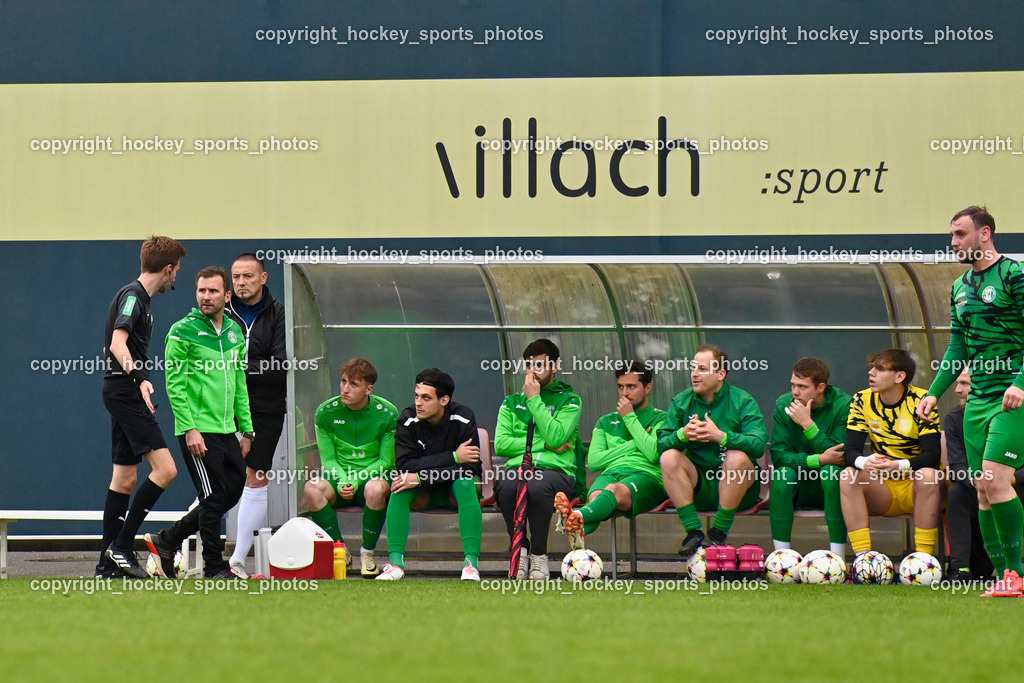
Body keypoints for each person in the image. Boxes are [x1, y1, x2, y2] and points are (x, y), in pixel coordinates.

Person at [918, 206, 1024, 596]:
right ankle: (1003, 577)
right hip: (978, 402)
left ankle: (1016, 573)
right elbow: (957, 347)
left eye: (960, 234)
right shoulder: (960, 287)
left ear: (985, 233)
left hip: (1015, 398)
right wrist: (932, 393)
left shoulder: (1015, 275)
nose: (953, 243)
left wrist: (1020, 382)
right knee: (982, 488)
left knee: (996, 480)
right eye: (951, 235)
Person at [144, 266, 253, 579]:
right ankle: (215, 568)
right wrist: (189, 428)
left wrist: (247, 429)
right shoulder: (181, 331)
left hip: (227, 430)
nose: (206, 297)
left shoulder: (235, 332)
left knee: (231, 492)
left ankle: (167, 540)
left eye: (213, 291)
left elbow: (240, 383)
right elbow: (175, 385)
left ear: (226, 295)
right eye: (202, 291)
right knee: (213, 497)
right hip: (196, 431)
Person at [99, 236, 186, 579]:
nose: (175, 278)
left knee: (124, 478)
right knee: (166, 470)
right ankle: (121, 547)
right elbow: (116, 343)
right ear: (167, 269)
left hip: (122, 391)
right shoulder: (135, 296)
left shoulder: (137, 299)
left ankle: (107, 566)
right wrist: (139, 379)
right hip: (124, 392)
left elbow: (115, 347)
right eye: (176, 271)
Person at [658, 344, 767, 558]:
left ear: (721, 374)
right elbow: (660, 446)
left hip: (739, 490)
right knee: (669, 456)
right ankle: (693, 532)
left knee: (736, 456)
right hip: (697, 489)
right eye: (693, 368)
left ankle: (718, 533)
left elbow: (758, 444)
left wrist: (722, 437)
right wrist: (682, 435)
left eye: (702, 369)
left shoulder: (742, 400)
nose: (695, 374)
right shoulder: (681, 401)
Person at [377, 369, 483, 581]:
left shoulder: (464, 417)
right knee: (400, 484)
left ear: (444, 400)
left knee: (465, 483)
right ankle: (396, 565)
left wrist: (422, 475)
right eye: (416, 396)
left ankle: (471, 564)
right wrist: (453, 456)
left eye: (426, 397)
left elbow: (470, 469)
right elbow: (406, 465)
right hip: (422, 492)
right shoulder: (408, 419)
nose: (418, 403)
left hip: (455, 490)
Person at [840, 348, 941, 559]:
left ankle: (923, 560)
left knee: (928, 475)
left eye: (880, 369)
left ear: (899, 376)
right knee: (848, 475)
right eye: (872, 369)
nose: (871, 374)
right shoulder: (861, 399)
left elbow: (932, 456)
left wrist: (897, 465)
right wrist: (865, 462)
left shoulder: (922, 400)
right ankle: (863, 559)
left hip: (918, 487)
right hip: (884, 488)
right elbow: (850, 452)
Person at [553, 361, 667, 550]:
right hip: (611, 473)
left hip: (646, 475)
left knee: (611, 491)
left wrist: (629, 417)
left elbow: (653, 453)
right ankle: (577, 529)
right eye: (621, 387)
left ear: (648, 388)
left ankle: (576, 517)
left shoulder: (662, 418)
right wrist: (635, 444)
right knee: (597, 495)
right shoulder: (605, 421)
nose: (625, 393)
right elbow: (595, 461)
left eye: (631, 386)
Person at [494, 338, 582, 580]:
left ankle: (539, 555)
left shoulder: (570, 400)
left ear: (555, 366)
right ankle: (520, 550)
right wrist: (544, 444)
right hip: (519, 468)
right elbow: (501, 444)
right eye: (530, 365)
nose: (533, 371)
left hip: (557, 472)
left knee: (537, 485)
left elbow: (557, 435)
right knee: (507, 485)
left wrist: (534, 399)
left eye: (540, 365)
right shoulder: (511, 402)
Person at [301, 358, 397, 576]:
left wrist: (355, 481)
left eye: (354, 384)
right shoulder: (325, 412)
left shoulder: (388, 413)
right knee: (311, 488)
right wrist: (344, 479)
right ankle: (339, 549)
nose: (345, 389)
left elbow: (386, 461)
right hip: (338, 477)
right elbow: (328, 459)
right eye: (343, 381)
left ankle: (367, 553)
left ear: (368, 389)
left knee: (376, 488)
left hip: (372, 477)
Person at [225, 253, 287, 579]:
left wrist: (233, 371)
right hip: (221, 406)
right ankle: (183, 549)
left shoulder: (280, 314)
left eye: (248, 276)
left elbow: (279, 367)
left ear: (263, 278)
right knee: (217, 473)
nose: (241, 283)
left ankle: (236, 559)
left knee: (255, 475)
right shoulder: (221, 312)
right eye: (236, 277)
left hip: (266, 408)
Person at [768, 357, 851, 556]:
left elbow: (839, 455)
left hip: (833, 488)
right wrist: (817, 460)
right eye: (793, 385)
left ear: (821, 387)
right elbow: (779, 456)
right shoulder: (783, 404)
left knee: (832, 473)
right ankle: (782, 558)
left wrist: (808, 425)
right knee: (781, 476)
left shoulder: (844, 404)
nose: (795, 392)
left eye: (802, 387)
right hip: (799, 484)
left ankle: (837, 558)